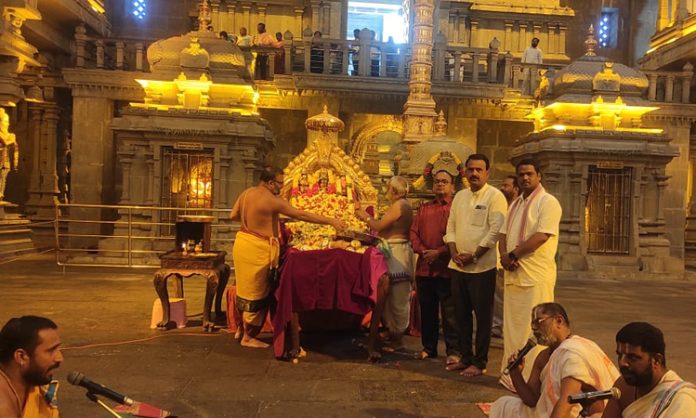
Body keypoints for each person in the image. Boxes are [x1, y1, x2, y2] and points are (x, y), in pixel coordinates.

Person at [230, 166, 346, 349]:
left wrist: (260, 221)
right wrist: (331, 221)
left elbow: (233, 215)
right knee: (257, 293)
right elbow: (302, 214)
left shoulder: (246, 193)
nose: (281, 188)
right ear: (269, 183)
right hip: (258, 250)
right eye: (279, 184)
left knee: (243, 289)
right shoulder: (271, 200)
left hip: (242, 243)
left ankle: (240, 329)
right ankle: (247, 336)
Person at [491, 303, 619, 418]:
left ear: (559, 320)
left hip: (578, 414)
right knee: (503, 404)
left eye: (538, 322)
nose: (534, 329)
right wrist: (515, 373)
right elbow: (531, 400)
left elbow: (566, 402)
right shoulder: (543, 356)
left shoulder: (572, 353)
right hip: (549, 411)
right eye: (532, 325)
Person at [498, 158, 562, 389]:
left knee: (537, 329)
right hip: (514, 276)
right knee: (513, 327)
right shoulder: (515, 204)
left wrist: (513, 255)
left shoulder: (548, 202)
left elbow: (542, 235)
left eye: (529, 174)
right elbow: (503, 234)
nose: (525, 178)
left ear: (539, 176)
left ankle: (533, 379)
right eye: (521, 175)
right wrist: (505, 256)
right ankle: (512, 374)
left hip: (536, 276)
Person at [444, 154, 507, 377]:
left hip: (482, 268)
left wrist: (474, 255)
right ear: (465, 172)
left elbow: (495, 231)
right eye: (470, 169)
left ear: (487, 173)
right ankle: (465, 357)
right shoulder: (460, 196)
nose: (474, 174)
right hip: (458, 266)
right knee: (460, 315)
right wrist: (454, 253)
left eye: (479, 170)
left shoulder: (495, 197)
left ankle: (479, 363)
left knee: (482, 317)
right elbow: (450, 227)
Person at [356, 176, 413, 360]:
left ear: (394, 191)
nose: (386, 193)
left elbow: (379, 226)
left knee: (397, 296)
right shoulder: (399, 204)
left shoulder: (400, 205)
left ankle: (398, 338)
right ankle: (391, 333)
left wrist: (365, 216)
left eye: (388, 189)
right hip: (392, 250)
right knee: (387, 294)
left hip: (398, 253)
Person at [409, 170, 460, 365]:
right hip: (425, 267)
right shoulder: (424, 208)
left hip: (446, 267)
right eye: (437, 181)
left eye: (444, 181)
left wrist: (438, 252)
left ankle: (453, 351)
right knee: (427, 311)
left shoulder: (456, 209)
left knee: (450, 314)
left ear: (452, 186)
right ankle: (428, 348)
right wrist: (423, 252)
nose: (440, 184)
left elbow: (459, 236)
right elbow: (413, 233)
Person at [602, 322, 696, 418]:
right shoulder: (623, 387)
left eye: (632, 357)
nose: (622, 363)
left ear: (656, 360)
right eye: (620, 355)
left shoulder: (682, 399)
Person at [0, 316, 62, 418]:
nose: (60, 358)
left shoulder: (34, 385)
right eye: (51, 351)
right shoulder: (3, 406)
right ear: (21, 357)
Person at [492, 175, 520, 338]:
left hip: (514, 259)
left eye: (506, 185)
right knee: (498, 297)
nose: (502, 188)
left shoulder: (518, 208)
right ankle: (498, 325)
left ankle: (507, 327)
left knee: (508, 296)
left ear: (516, 189)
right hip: (499, 257)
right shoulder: (501, 206)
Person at [0, 108, 19, 202]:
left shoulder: (11, 136)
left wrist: (15, 164)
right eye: (5, 122)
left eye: (7, 122)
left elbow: (15, 152)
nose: (7, 124)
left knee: (3, 179)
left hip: (6, 162)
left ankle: (1, 195)